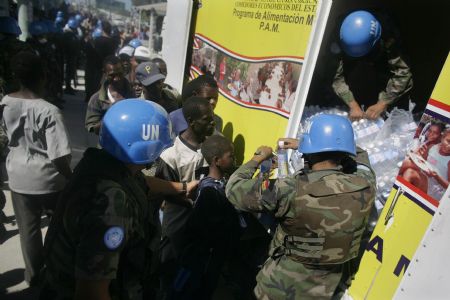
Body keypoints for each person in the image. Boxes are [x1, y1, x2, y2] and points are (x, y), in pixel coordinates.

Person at [41, 99, 185, 299]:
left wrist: (183, 187)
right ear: (149, 149)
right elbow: (91, 293)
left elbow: (141, 183)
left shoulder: (102, 163)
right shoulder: (110, 206)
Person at [226, 114, 376, 299]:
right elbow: (360, 157)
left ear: (309, 152)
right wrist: (315, 144)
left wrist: (257, 159)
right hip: (328, 291)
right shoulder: (366, 185)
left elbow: (233, 189)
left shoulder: (289, 189)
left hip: (279, 288)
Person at [1, 52, 72, 286]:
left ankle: (34, 277)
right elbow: (59, 155)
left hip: (19, 179)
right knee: (59, 229)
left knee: (28, 232)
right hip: (50, 180)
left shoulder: (5, 103)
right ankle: (56, 272)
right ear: (43, 76)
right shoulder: (49, 110)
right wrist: (71, 178)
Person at [156, 96, 216, 299]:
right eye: (207, 120)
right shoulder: (171, 155)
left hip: (200, 230)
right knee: (170, 276)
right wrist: (193, 201)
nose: (212, 123)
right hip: (177, 228)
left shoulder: (211, 146)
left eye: (212, 118)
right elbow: (165, 191)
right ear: (191, 121)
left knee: (192, 276)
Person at [171, 135, 243, 299]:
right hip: (203, 260)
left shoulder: (213, 183)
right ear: (217, 160)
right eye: (231, 156)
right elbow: (199, 229)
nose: (234, 159)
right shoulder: (210, 192)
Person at [332, 10, 413, 121]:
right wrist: (353, 104)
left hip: (380, 52)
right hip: (351, 54)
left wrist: (383, 103)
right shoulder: (340, 34)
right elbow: (336, 77)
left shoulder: (389, 33)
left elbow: (402, 73)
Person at [85, 55, 135, 135]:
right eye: (112, 75)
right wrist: (113, 116)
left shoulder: (135, 94)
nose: (116, 78)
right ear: (105, 73)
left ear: (124, 71)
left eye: (119, 74)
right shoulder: (96, 99)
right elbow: (92, 128)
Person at [401, 127, 450, 200]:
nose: (449, 146)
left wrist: (436, 176)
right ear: (442, 138)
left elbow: (448, 187)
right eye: (448, 141)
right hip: (424, 176)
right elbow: (423, 161)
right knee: (408, 163)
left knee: (409, 172)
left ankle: (400, 198)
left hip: (435, 188)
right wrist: (418, 156)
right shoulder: (432, 147)